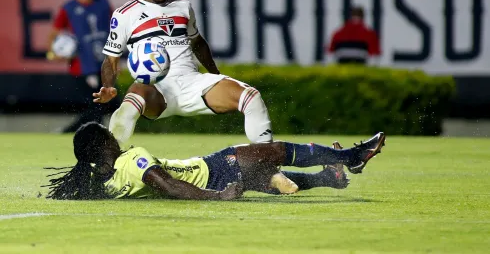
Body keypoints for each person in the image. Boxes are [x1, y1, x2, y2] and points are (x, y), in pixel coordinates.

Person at [93, 0, 273, 149]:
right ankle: (107, 170)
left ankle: (266, 170)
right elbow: (111, 59)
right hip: (156, 89)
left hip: (192, 82)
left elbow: (198, 43)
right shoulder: (124, 14)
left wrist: (214, 74)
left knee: (251, 97)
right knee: (130, 104)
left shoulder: (183, 7)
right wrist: (108, 86)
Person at [43, 122, 386, 200]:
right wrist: (217, 197)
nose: (116, 136)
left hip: (217, 178)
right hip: (215, 169)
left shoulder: (105, 183)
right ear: (104, 142)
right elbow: (168, 184)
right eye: (109, 133)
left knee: (268, 175)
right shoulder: (132, 158)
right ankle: (351, 157)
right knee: (275, 149)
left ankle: (329, 177)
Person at [47, 0, 113, 133]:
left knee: (103, 105)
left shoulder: (103, 4)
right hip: (82, 67)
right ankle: (70, 132)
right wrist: (53, 53)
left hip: (104, 64)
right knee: (98, 105)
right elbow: (53, 35)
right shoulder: (69, 8)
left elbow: (115, 29)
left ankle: (75, 132)